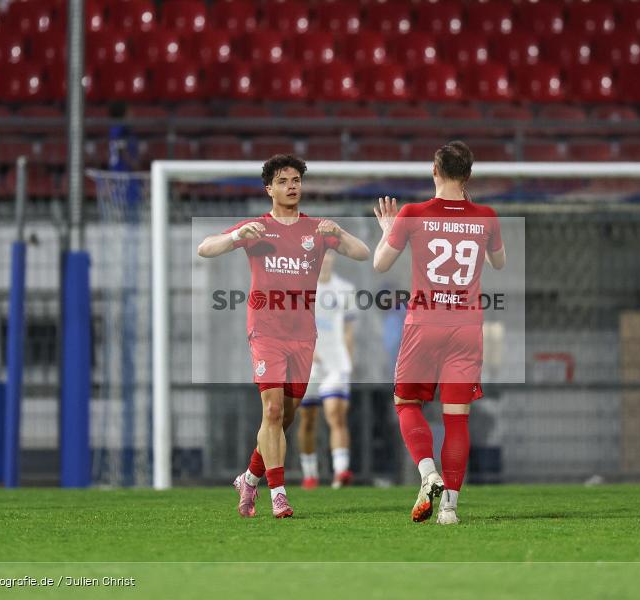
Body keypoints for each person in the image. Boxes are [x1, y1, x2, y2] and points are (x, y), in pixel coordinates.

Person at [197, 155, 370, 518]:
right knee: (272, 410)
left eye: (296, 180)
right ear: (269, 189)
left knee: (284, 418)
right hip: (266, 332)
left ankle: (248, 478)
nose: (292, 186)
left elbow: (362, 253)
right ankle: (279, 494)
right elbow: (205, 247)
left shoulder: (315, 231)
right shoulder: (257, 228)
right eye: (283, 180)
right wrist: (233, 236)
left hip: (304, 335)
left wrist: (339, 232)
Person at [372, 141, 505, 525]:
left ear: (434, 171)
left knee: (407, 404)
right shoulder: (486, 216)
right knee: (457, 419)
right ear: (469, 175)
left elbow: (381, 264)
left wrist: (388, 230)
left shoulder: (413, 214)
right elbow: (499, 262)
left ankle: (428, 472)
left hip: (423, 325)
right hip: (466, 327)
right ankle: (449, 508)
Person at [298, 252, 357, 490]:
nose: (326, 261)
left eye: (329, 256)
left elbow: (349, 329)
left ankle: (341, 472)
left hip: (335, 364)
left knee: (336, 414)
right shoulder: (301, 291)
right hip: (308, 364)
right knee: (308, 419)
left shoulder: (345, 289)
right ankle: (309, 473)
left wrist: (347, 359)